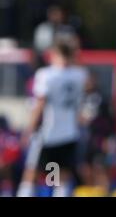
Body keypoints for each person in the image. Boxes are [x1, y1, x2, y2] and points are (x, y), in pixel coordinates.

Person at [16, 38, 88, 197]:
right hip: (70, 133)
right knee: (61, 177)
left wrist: (28, 130)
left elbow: (40, 104)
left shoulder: (46, 75)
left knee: (31, 173)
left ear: (54, 54)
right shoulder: (80, 75)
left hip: (48, 133)